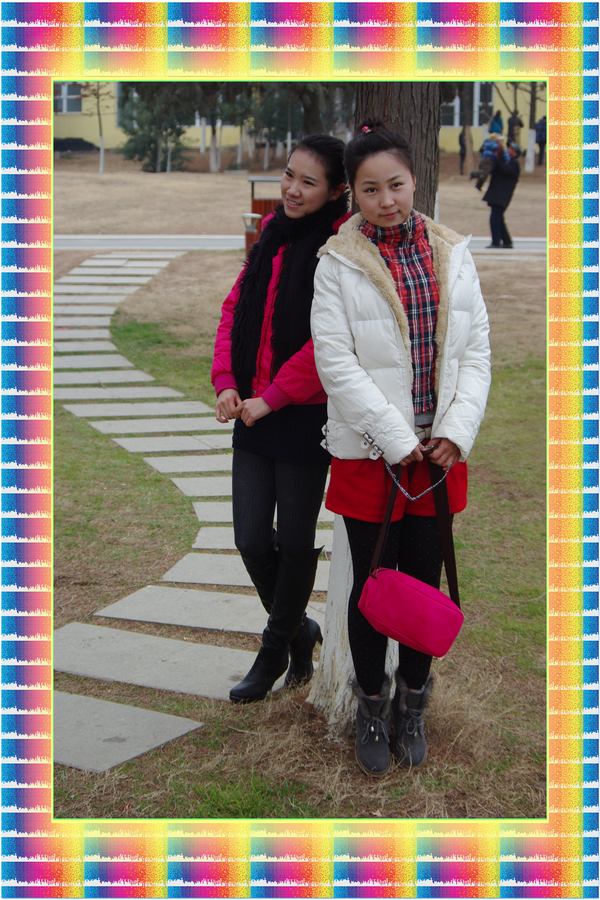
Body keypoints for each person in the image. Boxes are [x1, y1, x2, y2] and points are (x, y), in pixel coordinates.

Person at [310, 121, 491, 776]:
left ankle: (413, 702)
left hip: (436, 458)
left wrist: (454, 432)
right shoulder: (337, 263)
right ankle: (371, 704)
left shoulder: (453, 253)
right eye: (370, 189)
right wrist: (394, 438)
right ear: (352, 194)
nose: (385, 200)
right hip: (371, 454)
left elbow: (476, 354)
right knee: (372, 586)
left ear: (415, 180)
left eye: (395, 185)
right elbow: (336, 362)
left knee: (421, 584)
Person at [212, 134, 349, 703]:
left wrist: (272, 397)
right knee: (250, 538)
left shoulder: (339, 247)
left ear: (336, 191)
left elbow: (328, 343)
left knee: (294, 542)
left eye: (307, 182)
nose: (291, 189)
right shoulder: (270, 233)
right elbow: (235, 309)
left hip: (302, 415)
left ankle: (274, 651)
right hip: (253, 409)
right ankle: (299, 631)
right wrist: (227, 382)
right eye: (289, 175)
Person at [482, 139, 521, 248]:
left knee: (495, 219)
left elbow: (505, 170)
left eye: (511, 149)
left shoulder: (514, 164)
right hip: (497, 195)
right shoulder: (504, 160)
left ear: (515, 153)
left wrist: (496, 159)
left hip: (502, 196)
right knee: (498, 218)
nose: (508, 150)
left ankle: (496, 242)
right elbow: (493, 168)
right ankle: (507, 242)